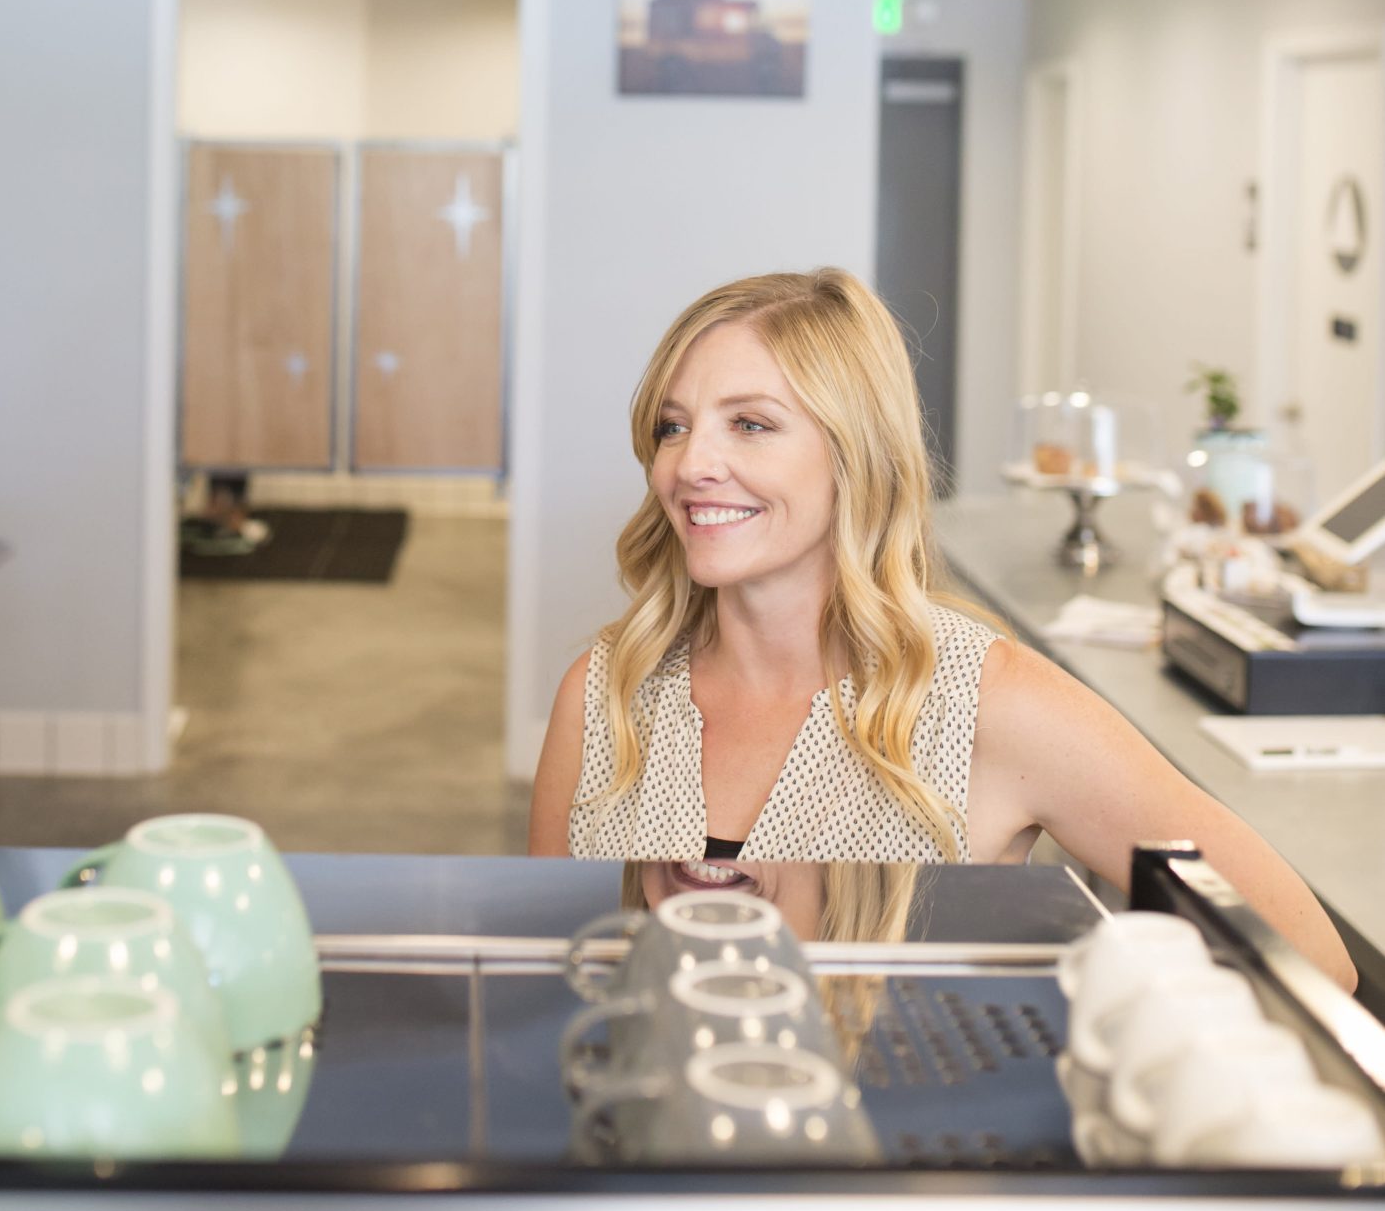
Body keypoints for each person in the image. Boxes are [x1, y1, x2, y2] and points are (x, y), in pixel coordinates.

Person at [529, 268, 1356, 991]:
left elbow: (1305, 957)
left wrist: (1077, 1047)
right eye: (672, 426)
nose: (689, 465)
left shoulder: (987, 702)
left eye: (749, 424)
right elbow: (537, 976)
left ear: (856, 454)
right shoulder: (607, 693)